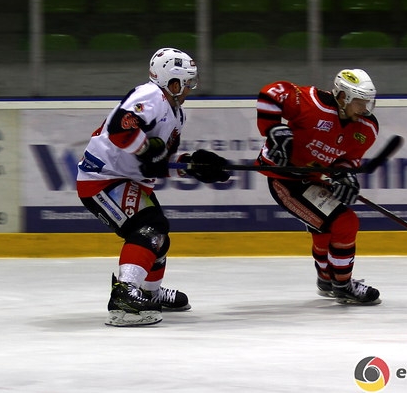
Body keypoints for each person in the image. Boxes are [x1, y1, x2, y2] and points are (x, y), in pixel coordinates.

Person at [76, 48, 230, 326]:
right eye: (188, 82)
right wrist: (148, 150)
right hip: (103, 178)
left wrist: (193, 165)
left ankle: (150, 293)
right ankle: (124, 295)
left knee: (159, 238)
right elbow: (120, 128)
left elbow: (158, 163)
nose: (190, 88)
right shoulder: (150, 95)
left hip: (126, 179)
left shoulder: (177, 114)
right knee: (150, 229)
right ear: (173, 83)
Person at [255, 69, 381, 305]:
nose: (365, 108)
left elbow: (348, 159)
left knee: (325, 228)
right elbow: (271, 93)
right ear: (342, 97)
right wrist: (273, 129)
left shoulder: (367, 128)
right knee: (344, 222)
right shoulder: (311, 103)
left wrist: (346, 175)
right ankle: (343, 285)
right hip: (284, 178)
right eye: (360, 101)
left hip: (313, 178)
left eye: (368, 102)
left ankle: (326, 279)